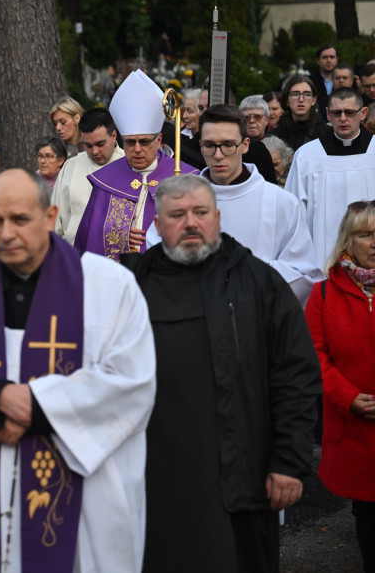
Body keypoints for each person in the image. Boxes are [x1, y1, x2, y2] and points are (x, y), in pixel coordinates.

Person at [0, 168, 156, 572]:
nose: (6, 233)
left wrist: (36, 406)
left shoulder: (110, 286)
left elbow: (132, 382)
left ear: (50, 216)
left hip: (87, 491)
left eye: (20, 219)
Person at [121, 175, 321, 573]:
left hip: (239, 472)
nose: (190, 223)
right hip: (152, 478)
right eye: (177, 215)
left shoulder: (258, 282)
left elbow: (295, 375)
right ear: (157, 226)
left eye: (200, 213)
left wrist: (288, 461)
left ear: (218, 217)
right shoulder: (129, 286)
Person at [145, 105, 322, 303]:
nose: (218, 155)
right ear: (201, 145)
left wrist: (242, 278)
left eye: (228, 145)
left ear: (245, 144)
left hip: (256, 316)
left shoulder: (281, 202)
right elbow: (156, 254)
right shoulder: (180, 199)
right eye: (210, 145)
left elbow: (304, 273)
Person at [306, 201, 375, 572]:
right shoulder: (322, 295)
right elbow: (314, 357)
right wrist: (348, 398)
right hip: (355, 429)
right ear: (349, 241)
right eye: (366, 235)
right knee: (368, 516)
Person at [74, 69, 198, 260]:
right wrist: (116, 237)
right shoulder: (106, 181)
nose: (137, 149)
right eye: (130, 142)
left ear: (159, 140)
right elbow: (88, 236)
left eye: (145, 141)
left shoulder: (186, 179)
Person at [285, 87, 375, 267]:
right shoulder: (307, 156)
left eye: (349, 112)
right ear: (327, 114)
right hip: (322, 258)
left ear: (363, 113)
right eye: (337, 112)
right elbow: (293, 214)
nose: (343, 118)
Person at [51, 108, 125, 242]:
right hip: (75, 254)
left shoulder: (130, 166)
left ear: (113, 136)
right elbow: (56, 222)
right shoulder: (70, 166)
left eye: (100, 144)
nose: (95, 151)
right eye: (88, 146)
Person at [235, 95, 279, 183]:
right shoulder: (234, 145)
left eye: (257, 116)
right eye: (246, 117)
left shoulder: (279, 143)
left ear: (267, 119)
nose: (252, 121)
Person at [274, 74, 323, 150]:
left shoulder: (326, 134)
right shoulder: (274, 136)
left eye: (307, 94)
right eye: (295, 94)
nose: (301, 99)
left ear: (314, 100)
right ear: (287, 100)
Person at [311, 44, 338, 114]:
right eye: (325, 57)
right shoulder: (309, 81)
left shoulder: (345, 80)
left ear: (336, 59)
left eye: (332, 57)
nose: (329, 60)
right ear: (318, 60)